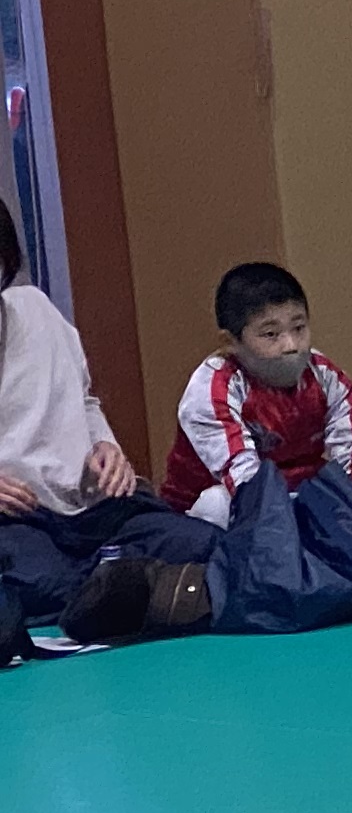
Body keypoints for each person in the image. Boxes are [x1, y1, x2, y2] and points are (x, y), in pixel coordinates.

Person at [0, 194, 218, 646]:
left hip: (87, 509)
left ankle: (125, 587)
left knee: (199, 542)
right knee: (44, 580)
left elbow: (83, 400)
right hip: (16, 523)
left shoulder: (35, 310)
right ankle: (135, 588)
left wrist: (105, 446)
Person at [158, 263, 352, 519]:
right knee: (215, 504)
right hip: (223, 509)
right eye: (270, 334)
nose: (290, 345)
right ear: (230, 342)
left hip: (304, 499)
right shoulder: (212, 388)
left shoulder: (326, 377)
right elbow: (245, 482)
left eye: (299, 328)